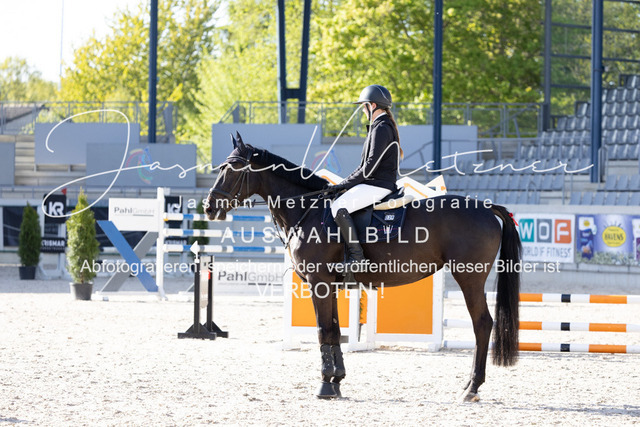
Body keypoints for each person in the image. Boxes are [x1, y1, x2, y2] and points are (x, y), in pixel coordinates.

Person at [330, 84, 402, 273]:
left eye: (363, 106)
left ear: (372, 105)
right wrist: (343, 185)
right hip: (374, 183)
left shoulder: (382, 128)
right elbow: (364, 166)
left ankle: (357, 257)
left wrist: (343, 185)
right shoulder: (379, 126)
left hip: (378, 185)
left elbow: (369, 167)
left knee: (338, 206)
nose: (362, 110)